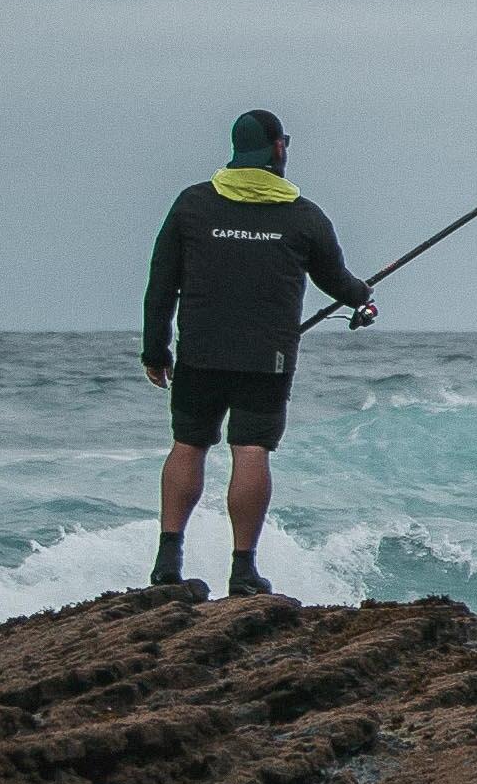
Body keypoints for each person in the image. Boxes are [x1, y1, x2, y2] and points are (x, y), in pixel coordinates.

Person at [141, 109, 374, 597]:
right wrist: (361, 295)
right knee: (250, 449)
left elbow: (161, 282)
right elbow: (336, 279)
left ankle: (167, 560)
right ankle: (243, 570)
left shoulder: (192, 205)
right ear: (277, 149)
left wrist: (155, 349)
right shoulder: (303, 215)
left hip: (200, 354)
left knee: (189, 444)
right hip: (265, 358)